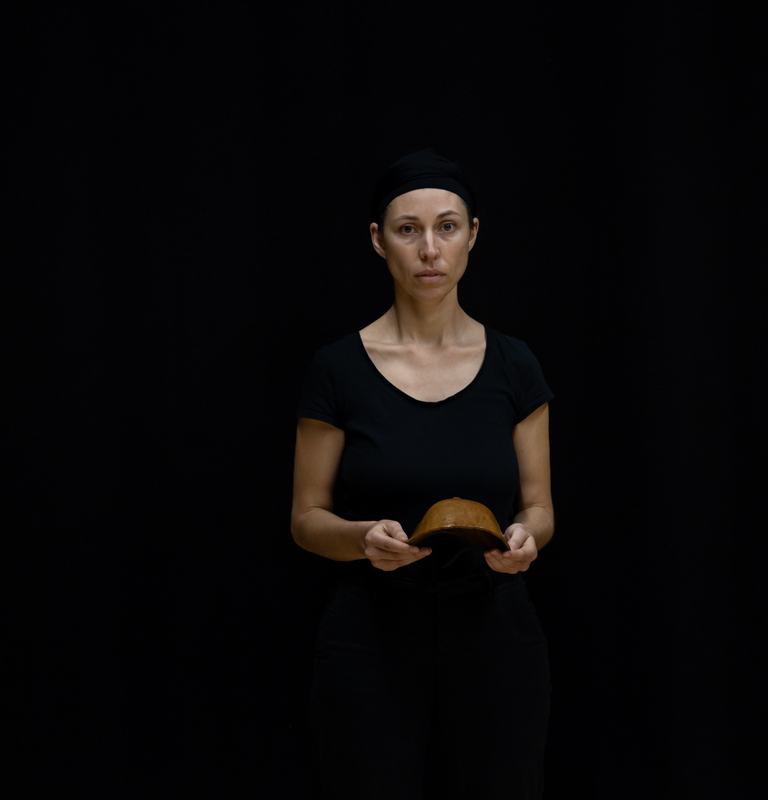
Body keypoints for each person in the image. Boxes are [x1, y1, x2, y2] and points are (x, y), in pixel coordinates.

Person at [290, 149, 554, 799]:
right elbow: (306, 518)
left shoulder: (515, 365)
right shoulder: (338, 368)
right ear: (379, 240)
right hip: (371, 634)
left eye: (447, 227)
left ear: (473, 235)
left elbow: (539, 507)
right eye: (408, 229)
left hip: (493, 629)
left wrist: (527, 540)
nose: (429, 249)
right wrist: (361, 540)